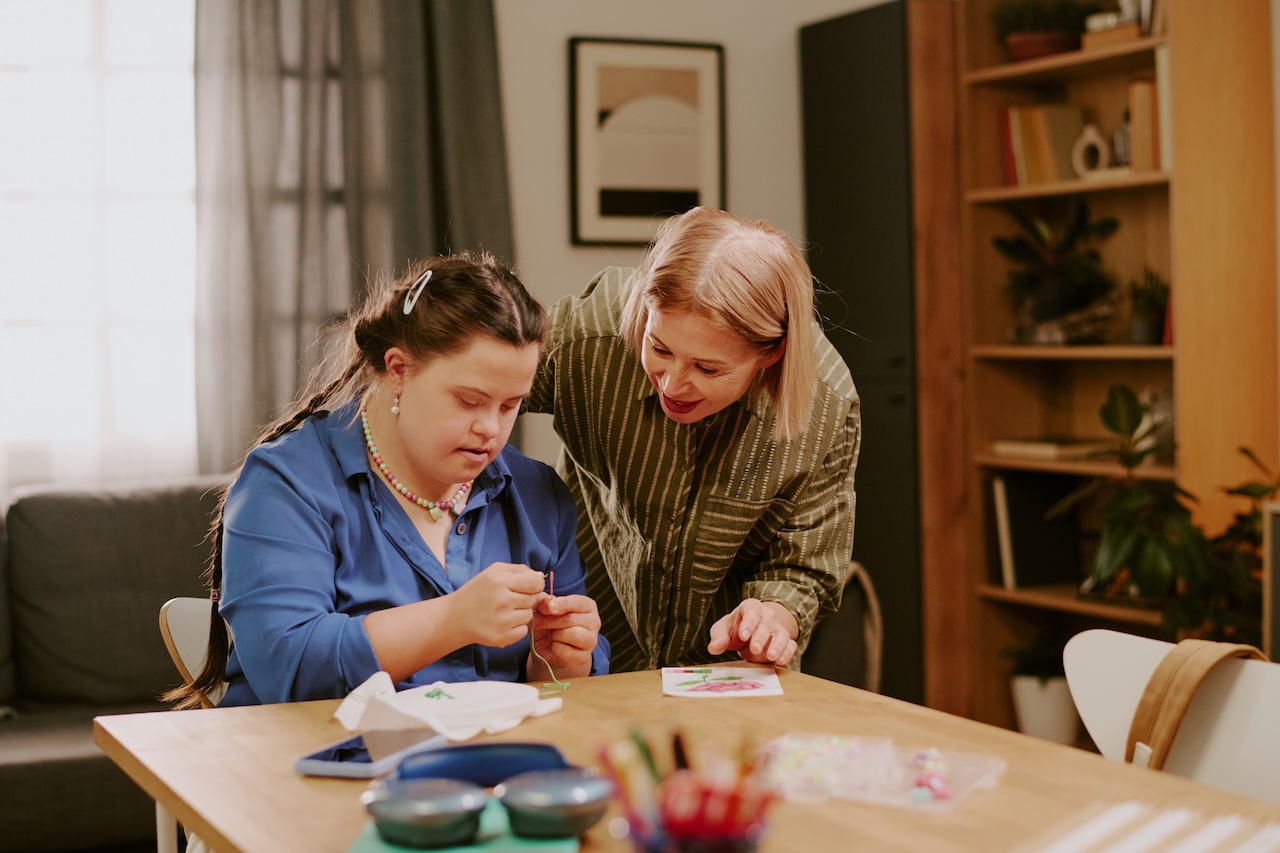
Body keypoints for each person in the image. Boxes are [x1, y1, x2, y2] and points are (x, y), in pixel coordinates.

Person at [168, 253, 609, 709]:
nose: (492, 429)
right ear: (399, 370)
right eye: (469, 400)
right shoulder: (286, 484)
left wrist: (561, 659)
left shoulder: (537, 493)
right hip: (312, 767)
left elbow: (559, 689)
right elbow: (288, 668)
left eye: (509, 404)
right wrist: (454, 619)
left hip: (487, 769)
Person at [525, 207, 860, 673]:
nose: (673, 384)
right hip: (586, 643)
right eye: (659, 348)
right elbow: (481, 388)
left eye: (708, 368)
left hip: (725, 672)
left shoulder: (827, 407)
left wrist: (771, 618)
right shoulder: (590, 335)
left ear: (771, 351)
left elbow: (803, 567)